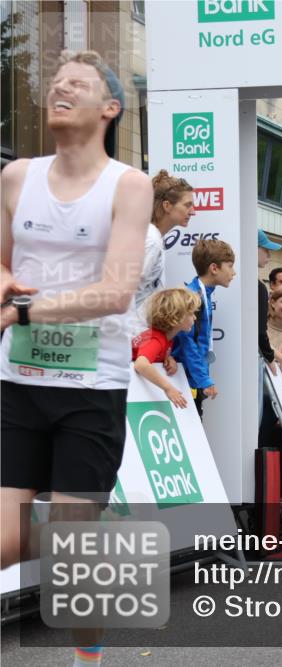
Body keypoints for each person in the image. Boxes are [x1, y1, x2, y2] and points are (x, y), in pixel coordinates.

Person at [0, 50, 152, 667]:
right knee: (8, 540)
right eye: (56, 83)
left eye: (78, 84)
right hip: (18, 379)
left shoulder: (129, 185)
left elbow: (116, 291)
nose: (60, 89)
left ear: (108, 108)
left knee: (70, 550)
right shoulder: (15, 177)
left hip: (93, 383)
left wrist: (27, 312)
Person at [172, 238, 236, 418]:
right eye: (230, 266)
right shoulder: (192, 297)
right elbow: (188, 344)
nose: (234, 272)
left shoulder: (203, 294)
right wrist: (203, 380)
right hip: (183, 380)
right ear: (214, 268)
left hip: (190, 378)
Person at [127, 170, 195, 337]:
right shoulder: (151, 240)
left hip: (141, 336)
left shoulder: (151, 236)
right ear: (167, 206)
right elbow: (128, 291)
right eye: (187, 205)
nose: (193, 211)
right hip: (134, 337)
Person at [132, 288, 200, 409]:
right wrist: (168, 388)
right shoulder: (156, 340)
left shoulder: (164, 338)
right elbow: (141, 364)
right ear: (176, 316)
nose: (194, 318)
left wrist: (168, 357)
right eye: (191, 313)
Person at [257, 229, 282, 418]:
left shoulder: (252, 285)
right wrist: (272, 357)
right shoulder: (258, 288)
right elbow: (260, 332)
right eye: (265, 249)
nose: (269, 255)